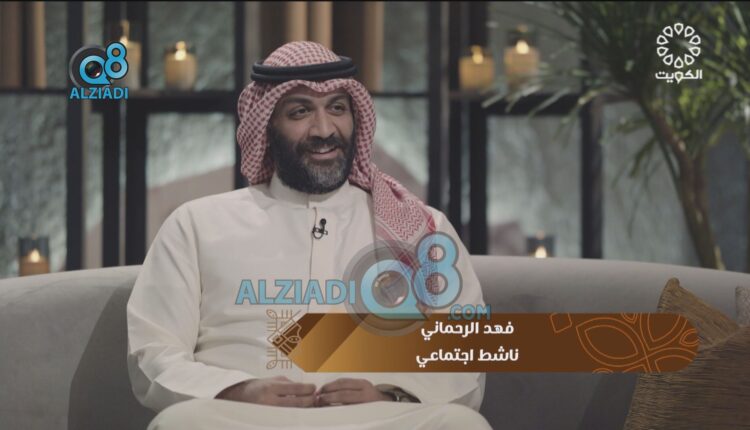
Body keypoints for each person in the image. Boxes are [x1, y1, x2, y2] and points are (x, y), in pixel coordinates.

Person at [127, 41, 492, 430]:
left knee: (460, 424)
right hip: (243, 419)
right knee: (179, 422)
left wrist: (390, 395)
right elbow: (154, 349)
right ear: (267, 125)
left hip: (378, 420)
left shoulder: (419, 225)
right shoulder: (197, 224)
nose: (324, 130)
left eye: (337, 108)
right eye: (300, 112)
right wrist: (237, 390)